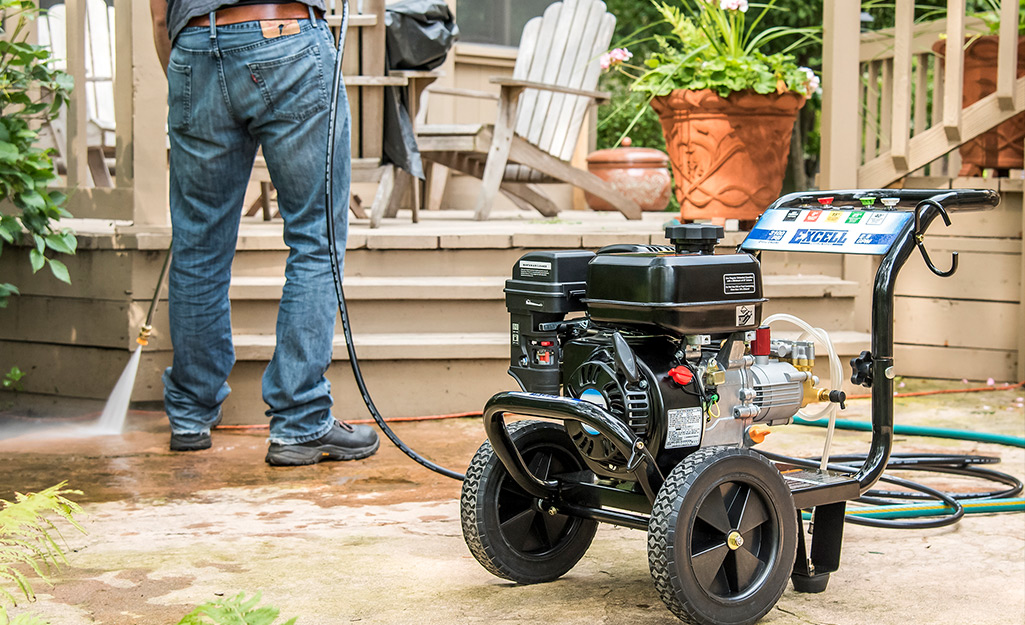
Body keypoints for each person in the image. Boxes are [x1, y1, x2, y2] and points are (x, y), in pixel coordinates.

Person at [149, 0, 379, 465]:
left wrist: (188, 68)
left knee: (198, 244)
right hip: (287, 40)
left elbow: (158, 16)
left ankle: (191, 413)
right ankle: (300, 422)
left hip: (193, 46)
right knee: (316, 240)